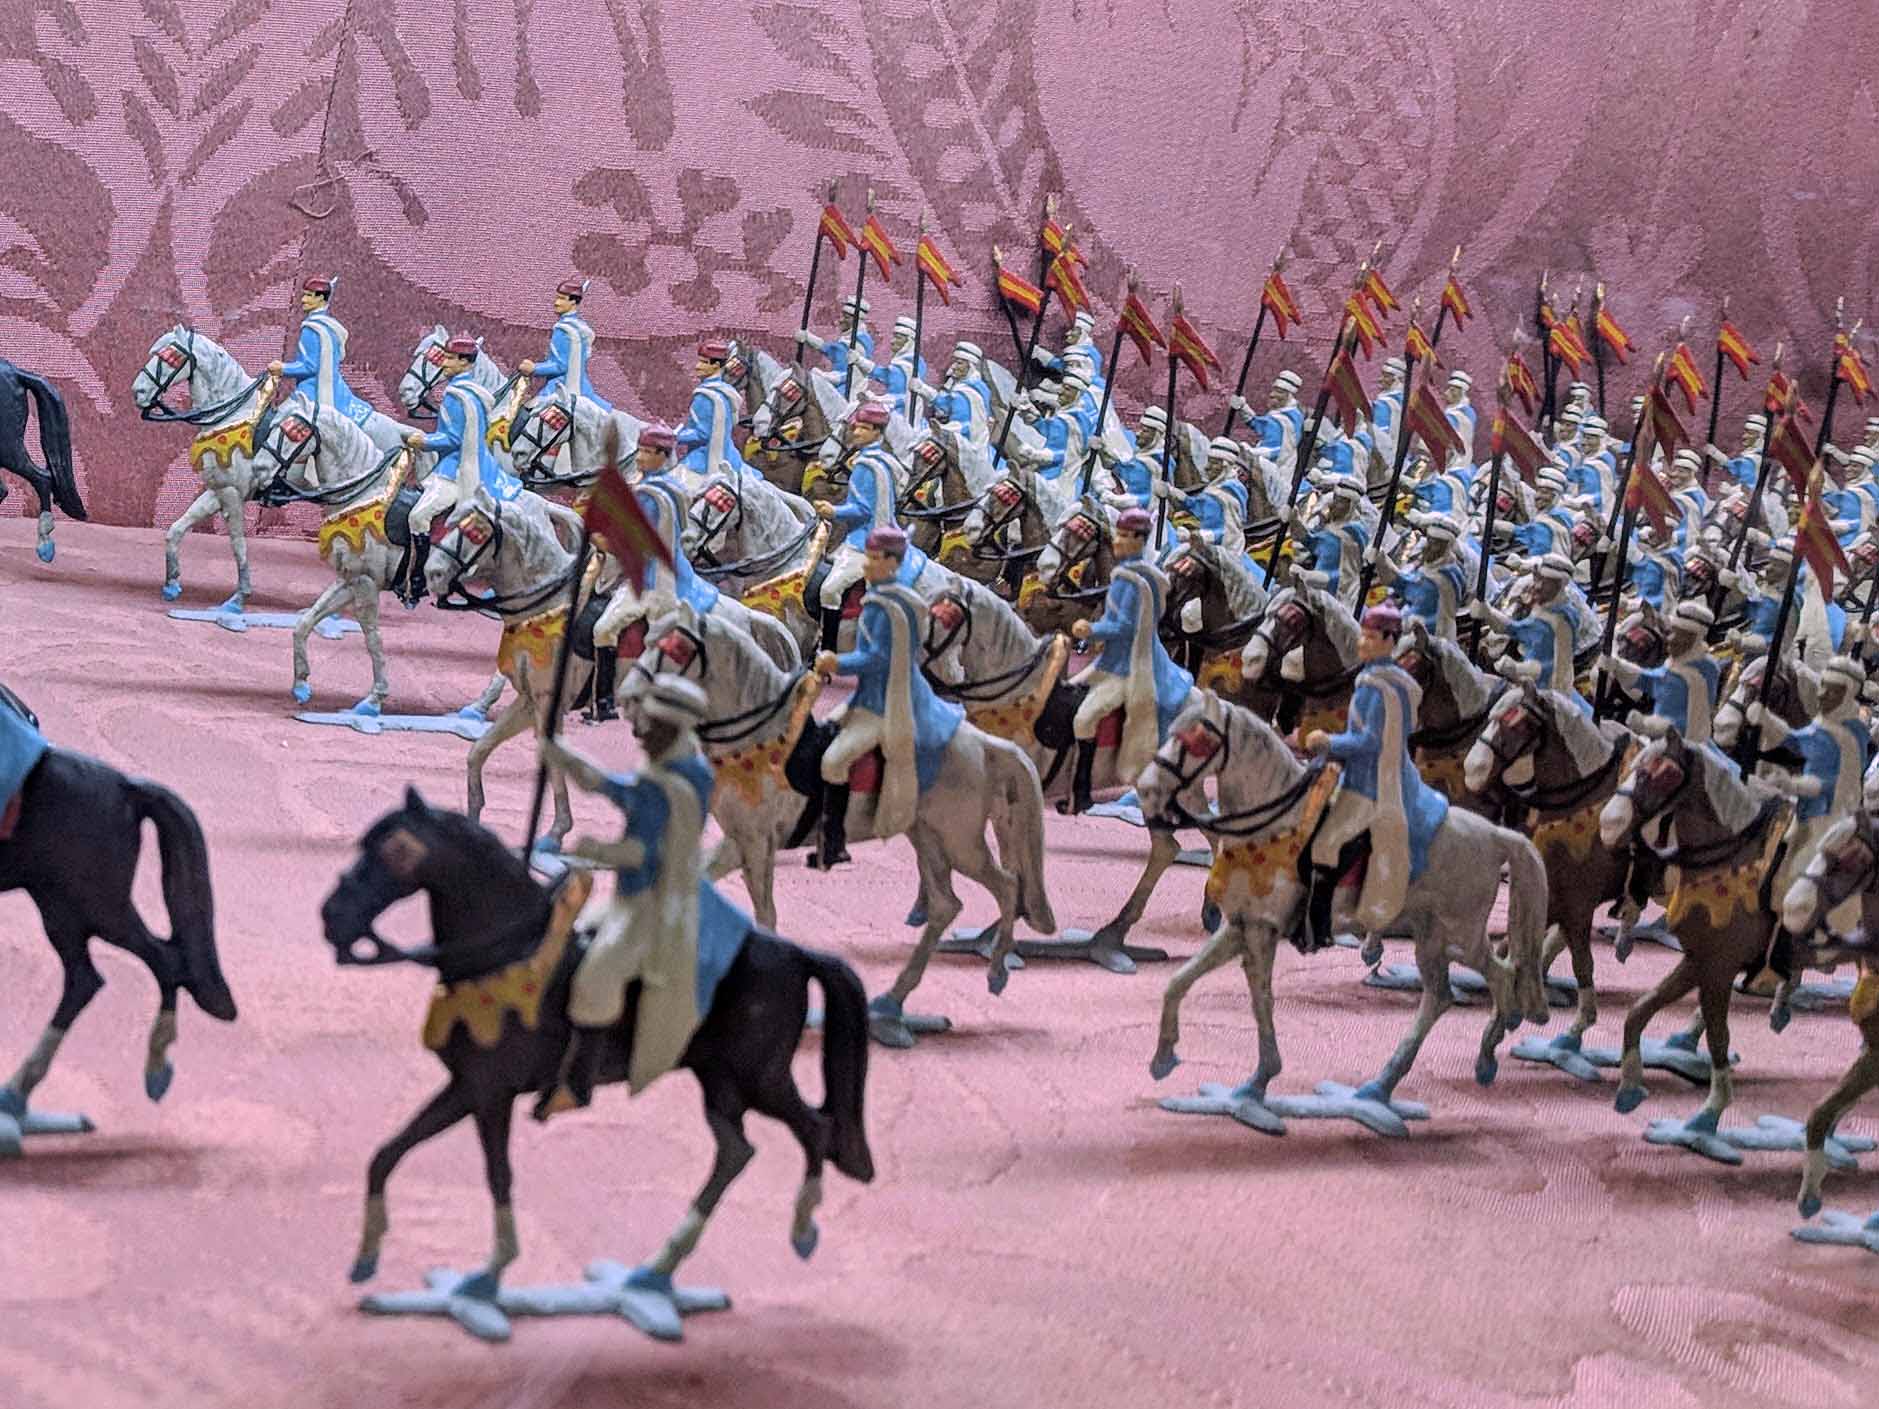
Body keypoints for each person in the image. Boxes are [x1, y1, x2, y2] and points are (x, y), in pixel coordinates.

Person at [532, 677, 751, 1118]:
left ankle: (579, 1084)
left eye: (651, 725)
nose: (640, 732)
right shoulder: (667, 768)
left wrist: (597, 851)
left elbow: (644, 852)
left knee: (595, 980)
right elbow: (613, 787)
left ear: (673, 727)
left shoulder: (675, 782)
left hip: (655, 905)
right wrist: (563, 754)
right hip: (633, 897)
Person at [812, 526, 964, 868]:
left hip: (887, 703)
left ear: (893, 563)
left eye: (874, 559)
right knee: (822, 732)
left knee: (833, 760)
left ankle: (834, 841)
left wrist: (837, 662)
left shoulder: (893, 606)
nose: (867, 565)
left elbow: (878, 659)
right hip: (867, 697)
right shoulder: (878, 599)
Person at [1299, 602, 1449, 944]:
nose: (1361, 643)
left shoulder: (1381, 687)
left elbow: (1370, 741)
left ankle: (1328, 917)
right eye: (1362, 636)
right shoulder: (1374, 679)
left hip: (1372, 782)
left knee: (1326, 842)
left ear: (1389, 640)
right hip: (1360, 771)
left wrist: (1329, 742)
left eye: (1369, 637)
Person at [1060, 507, 1196, 814]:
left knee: (1084, 718)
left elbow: (1124, 627)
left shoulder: (1132, 581)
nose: (1117, 541)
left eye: (1124, 536)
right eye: (1117, 534)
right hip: (1112, 661)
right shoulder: (1129, 575)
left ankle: (1082, 792)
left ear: (1139, 540)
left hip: (1126, 668)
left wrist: (1091, 630)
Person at [591, 425, 717, 693]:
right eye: (640, 450)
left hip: (652, 581)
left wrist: (598, 539)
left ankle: (604, 700)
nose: (639, 457)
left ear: (663, 455)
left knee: (602, 629)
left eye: (647, 452)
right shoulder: (670, 486)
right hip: (675, 570)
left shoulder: (650, 496)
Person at [812, 401, 899, 650]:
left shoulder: (865, 465)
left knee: (829, 589)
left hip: (864, 542)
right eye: (856, 428)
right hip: (883, 534)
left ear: (877, 432)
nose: (856, 432)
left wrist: (833, 511)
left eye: (863, 428)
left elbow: (863, 509)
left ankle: (827, 649)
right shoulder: (884, 460)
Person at [1599, 599, 1729, 758]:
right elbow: (1654, 681)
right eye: (1671, 632)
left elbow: (1688, 722)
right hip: (1660, 737)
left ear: (1692, 638)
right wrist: (1618, 667)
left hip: (1682, 747)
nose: (1669, 639)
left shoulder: (1703, 670)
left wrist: (1646, 725)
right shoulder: (1677, 661)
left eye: (1677, 634)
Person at [1467, 553, 1591, 710]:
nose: (1537, 586)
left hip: (1547, 693)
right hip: (1529, 677)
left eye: (1545, 583)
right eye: (1538, 579)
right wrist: (1488, 613)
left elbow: (1551, 667)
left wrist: (1515, 669)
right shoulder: (1543, 607)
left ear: (1559, 584)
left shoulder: (1560, 622)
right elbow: (1518, 629)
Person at [270, 275, 375, 428]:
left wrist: (283, 369)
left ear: (320, 298)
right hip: (336, 388)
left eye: (308, 296)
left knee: (277, 422)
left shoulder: (312, 328)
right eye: (304, 295)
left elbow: (311, 366)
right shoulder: (330, 326)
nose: (303, 300)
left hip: (312, 390)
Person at [518, 278, 611, 413]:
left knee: (525, 415)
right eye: (557, 298)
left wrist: (534, 368)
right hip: (582, 388)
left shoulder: (564, 329)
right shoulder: (580, 326)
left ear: (573, 302)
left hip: (561, 388)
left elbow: (561, 366)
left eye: (562, 299)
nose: (556, 303)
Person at [678, 339, 753, 483]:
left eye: (704, 362)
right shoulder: (726, 392)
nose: (697, 366)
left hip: (705, 457)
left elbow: (703, 434)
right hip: (729, 455)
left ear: (716, 366)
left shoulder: (706, 396)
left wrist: (677, 436)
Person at [797, 294, 874, 391]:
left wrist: (823, 376)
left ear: (856, 320)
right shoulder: (846, 340)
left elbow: (848, 375)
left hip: (848, 392)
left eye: (846, 317)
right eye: (842, 316)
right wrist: (808, 337)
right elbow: (830, 349)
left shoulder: (859, 344)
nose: (841, 320)